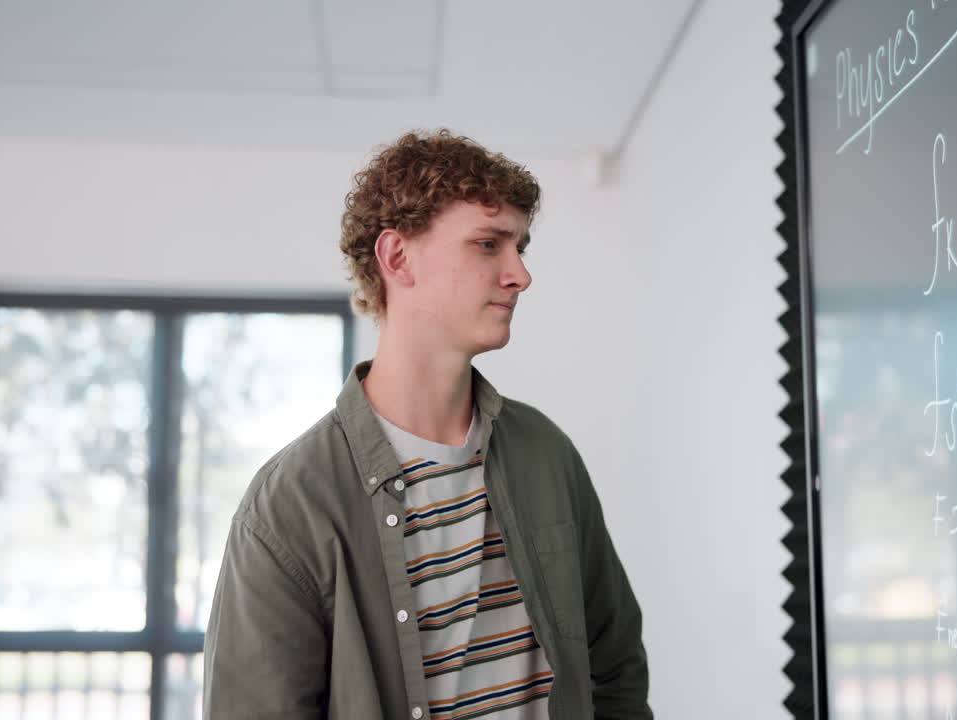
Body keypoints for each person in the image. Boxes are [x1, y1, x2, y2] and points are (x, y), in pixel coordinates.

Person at [203, 129, 651, 719]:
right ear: (397, 258)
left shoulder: (545, 453)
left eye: (520, 247)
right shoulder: (288, 507)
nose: (520, 273)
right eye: (489, 245)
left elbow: (613, 672)